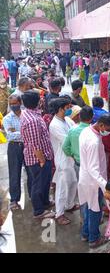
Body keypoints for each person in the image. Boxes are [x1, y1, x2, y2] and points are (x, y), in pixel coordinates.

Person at [79, 113, 110, 248]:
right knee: (95, 209)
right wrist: (106, 186)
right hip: (93, 180)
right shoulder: (94, 141)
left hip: (86, 177)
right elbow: (94, 169)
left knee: (88, 207)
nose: (108, 132)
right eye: (108, 129)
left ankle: (85, 233)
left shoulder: (86, 130)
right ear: (100, 125)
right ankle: (94, 239)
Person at [20, 91, 55, 219]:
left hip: (42, 157)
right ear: (37, 102)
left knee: (45, 182)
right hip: (38, 158)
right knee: (38, 184)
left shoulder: (30, 113)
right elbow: (35, 145)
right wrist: (41, 160)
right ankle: (39, 211)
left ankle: (45, 202)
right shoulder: (32, 120)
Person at [49, 97, 79, 225]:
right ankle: (59, 213)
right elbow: (68, 140)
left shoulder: (67, 120)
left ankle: (69, 204)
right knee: (62, 187)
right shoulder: (54, 125)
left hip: (70, 158)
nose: (69, 110)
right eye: (67, 108)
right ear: (60, 109)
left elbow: (76, 129)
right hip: (62, 160)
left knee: (72, 182)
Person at [2, 95, 31, 210]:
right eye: (11, 104)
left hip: (28, 146)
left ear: (20, 102)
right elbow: (10, 135)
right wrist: (25, 133)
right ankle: (14, 200)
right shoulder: (7, 119)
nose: (13, 106)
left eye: (15, 103)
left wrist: (19, 133)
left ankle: (33, 196)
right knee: (14, 173)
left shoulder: (26, 115)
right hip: (14, 147)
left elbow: (18, 133)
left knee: (31, 172)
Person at [63, 106, 93, 181]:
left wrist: (72, 155)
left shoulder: (72, 130)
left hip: (78, 164)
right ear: (92, 117)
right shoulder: (93, 131)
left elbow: (65, 147)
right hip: (91, 165)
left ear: (79, 116)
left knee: (81, 186)